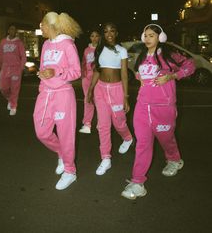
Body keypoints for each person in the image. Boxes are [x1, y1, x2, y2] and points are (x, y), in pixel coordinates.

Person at [121, 24, 195, 200]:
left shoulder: (168, 56)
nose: (147, 38)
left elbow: (190, 65)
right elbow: (140, 77)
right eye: (145, 35)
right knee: (143, 144)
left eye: (151, 35)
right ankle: (137, 182)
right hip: (142, 107)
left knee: (166, 138)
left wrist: (172, 76)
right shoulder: (141, 58)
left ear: (160, 38)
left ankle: (174, 159)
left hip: (163, 107)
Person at [33, 11, 82, 190]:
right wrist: (43, 80)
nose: (41, 28)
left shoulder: (68, 44)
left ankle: (70, 171)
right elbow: (43, 67)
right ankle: (61, 153)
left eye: (42, 25)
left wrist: (56, 72)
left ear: (50, 25)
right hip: (45, 94)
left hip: (63, 94)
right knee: (41, 132)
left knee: (66, 134)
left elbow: (76, 72)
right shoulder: (45, 44)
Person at [87, 22, 133, 176]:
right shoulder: (99, 50)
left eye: (112, 31)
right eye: (106, 32)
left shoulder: (122, 50)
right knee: (103, 125)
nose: (109, 34)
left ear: (116, 33)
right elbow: (96, 71)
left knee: (119, 122)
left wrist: (126, 97)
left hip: (116, 90)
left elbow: (125, 75)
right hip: (100, 90)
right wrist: (90, 90)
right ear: (103, 34)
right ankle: (105, 158)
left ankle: (127, 137)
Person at [0, 23, 26, 116]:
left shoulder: (19, 43)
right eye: (11, 29)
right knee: (3, 88)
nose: (12, 31)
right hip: (4, 69)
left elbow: (23, 57)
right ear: (8, 31)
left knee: (15, 89)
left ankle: (13, 106)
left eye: (14, 29)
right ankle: (10, 99)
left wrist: (20, 69)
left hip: (15, 69)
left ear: (15, 31)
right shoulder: (3, 42)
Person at [79, 28, 100, 134]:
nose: (94, 38)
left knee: (99, 101)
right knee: (87, 100)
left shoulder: (102, 49)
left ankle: (101, 123)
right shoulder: (86, 49)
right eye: (92, 36)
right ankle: (87, 124)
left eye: (96, 35)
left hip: (98, 79)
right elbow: (83, 63)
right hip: (86, 79)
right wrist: (83, 75)